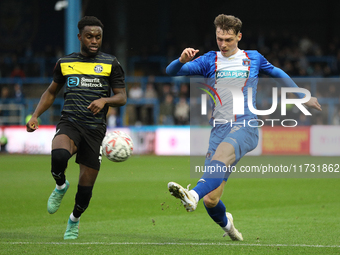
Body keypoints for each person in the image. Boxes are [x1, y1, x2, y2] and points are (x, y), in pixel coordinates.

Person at [165, 14, 322, 241]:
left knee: (216, 165)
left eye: (228, 39)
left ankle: (192, 195)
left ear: (239, 36)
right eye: (220, 38)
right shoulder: (210, 60)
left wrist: (300, 95)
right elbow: (171, 72)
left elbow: (277, 72)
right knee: (212, 199)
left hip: (245, 126)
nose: (224, 44)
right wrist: (180, 60)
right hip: (219, 129)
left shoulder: (253, 58)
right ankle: (229, 226)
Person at [26, 16, 127, 240]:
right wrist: (35, 115)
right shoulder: (65, 62)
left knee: (85, 190)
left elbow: (121, 97)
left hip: (95, 130)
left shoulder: (111, 63)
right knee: (59, 156)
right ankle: (60, 185)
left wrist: (105, 101)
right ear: (80, 36)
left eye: (98, 37)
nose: (94, 41)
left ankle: (74, 220)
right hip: (69, 122)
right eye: (89, 36)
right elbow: (51, 92)